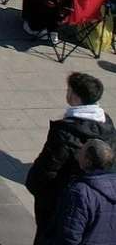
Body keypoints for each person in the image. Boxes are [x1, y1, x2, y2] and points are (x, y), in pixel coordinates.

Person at [28, 72, 116, 245]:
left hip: (63, 201)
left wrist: (40, 191)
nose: (66, 93)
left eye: (68, 90)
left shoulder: (64, 132)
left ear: (75, 97)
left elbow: (46, 170)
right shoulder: (108, 125)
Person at [55, 138, 116, 245]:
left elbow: (69, 236)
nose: (78, 155)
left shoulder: (80, 192)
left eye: (81, 153)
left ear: (88, 162)